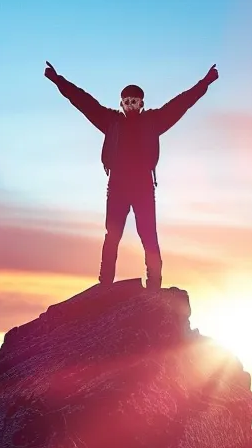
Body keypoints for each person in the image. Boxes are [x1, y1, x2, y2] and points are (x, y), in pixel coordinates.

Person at [45, 61, 218, 288]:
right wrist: (58, 80)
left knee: (148, 236)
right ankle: (105, 282)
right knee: (112, 235)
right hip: (117, 186)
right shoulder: (111, 121)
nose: (131, 105)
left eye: (135, 101)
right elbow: (83, 101)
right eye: (126, 102)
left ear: (142, 103)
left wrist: (205, 82)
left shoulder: (154, 121)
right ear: (122, 103)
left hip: (143, 187)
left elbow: (181, 103)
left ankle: (154, 283)